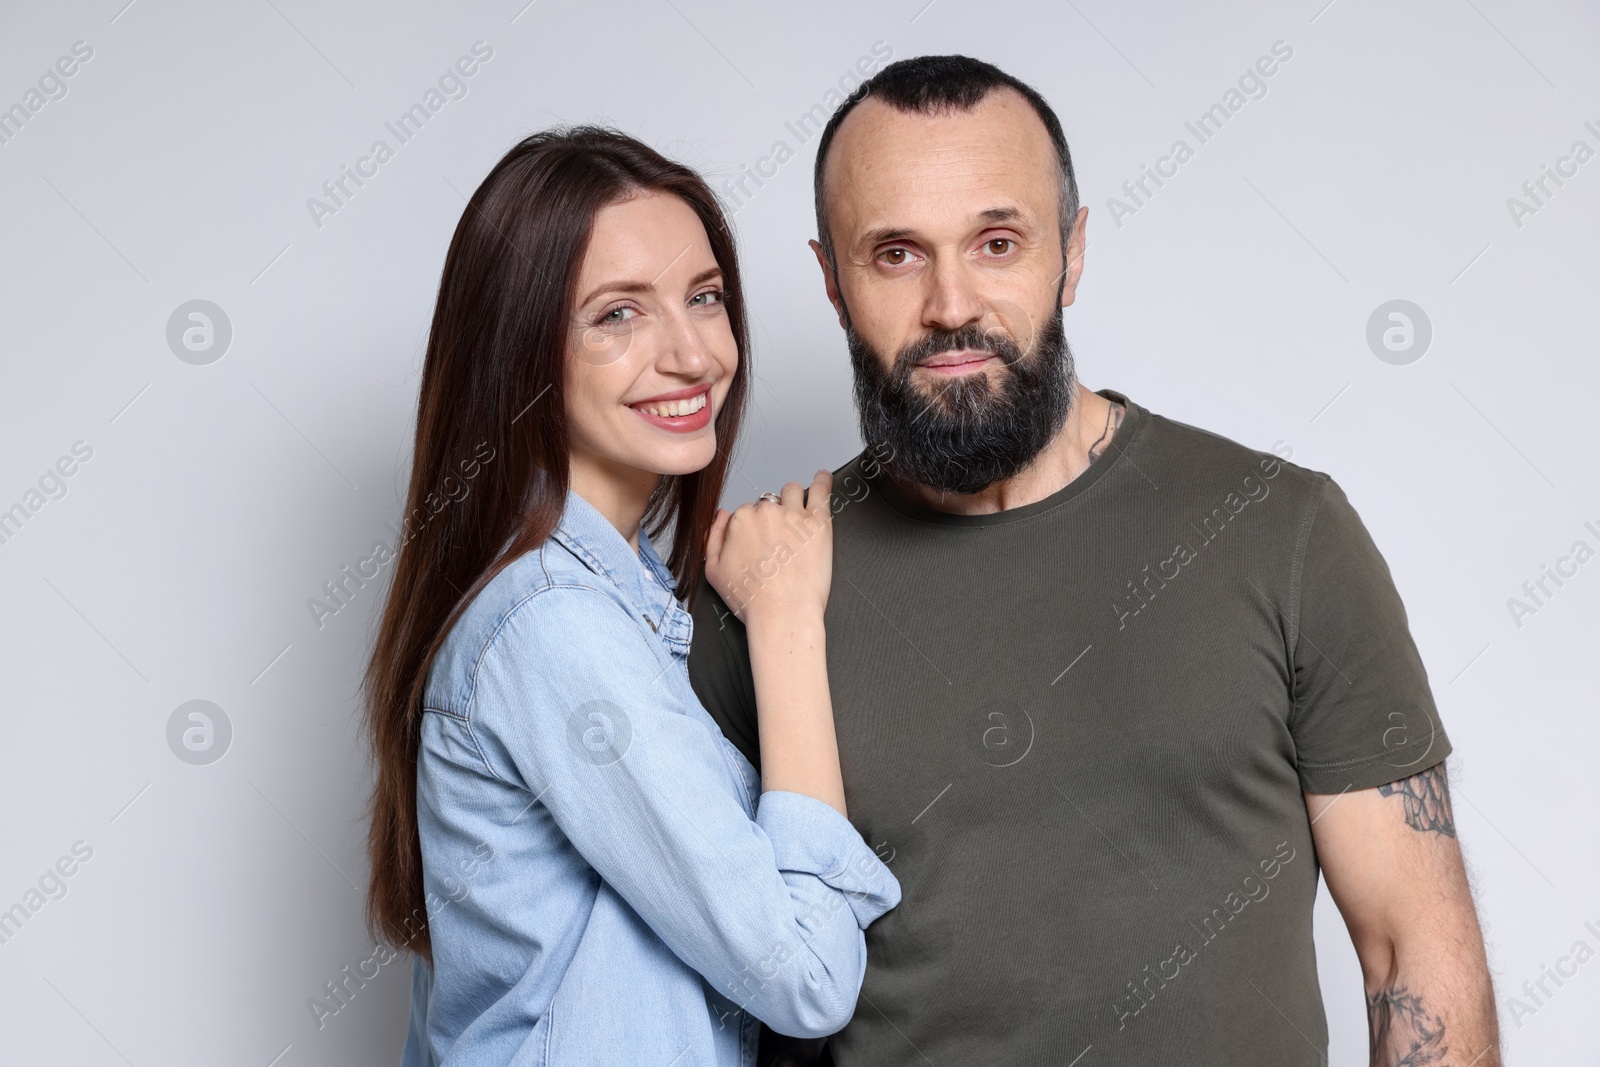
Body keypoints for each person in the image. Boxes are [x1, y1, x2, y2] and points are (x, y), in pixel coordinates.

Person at [688, 56, 1500, 1066]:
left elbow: (1410, 948)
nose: (951, 303)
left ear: (1070, 253)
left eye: (996, 241)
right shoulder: (762, 592)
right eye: (894, 253)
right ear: (832, 281)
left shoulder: (1279, 532)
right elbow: (689, 1004)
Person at [362, 126, 900, 1066]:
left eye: (704, 298)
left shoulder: (602, 595)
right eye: (618, 315)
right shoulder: (554, 626)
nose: (692, 355)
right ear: (522, 350)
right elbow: (806, 973)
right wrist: (782, 622)